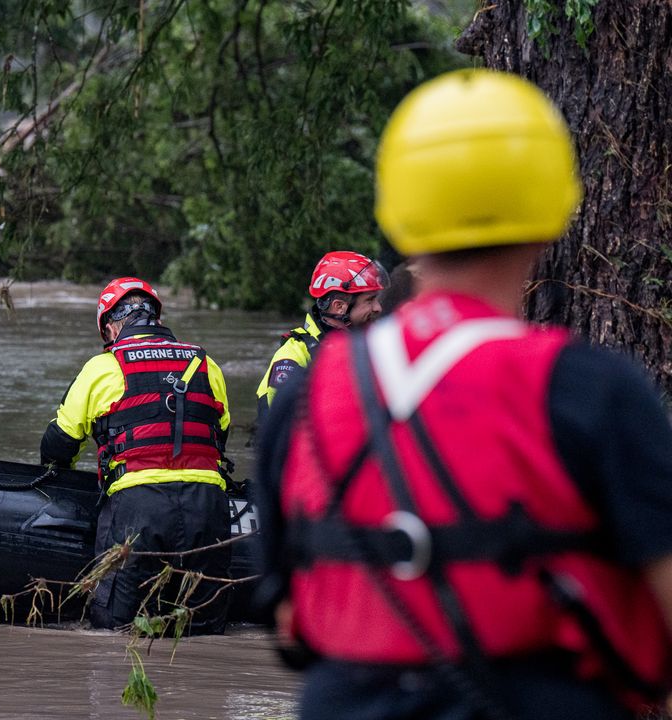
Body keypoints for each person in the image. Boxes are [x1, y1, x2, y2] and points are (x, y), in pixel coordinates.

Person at [254, 69, 672, 719]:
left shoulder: (300, 402)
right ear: (552, 214)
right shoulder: (597, 393)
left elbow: (288, 618)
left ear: (400, 217)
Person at [40, 277, 234, 635]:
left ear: (111, 327)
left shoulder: (103, 367)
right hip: (208, 508)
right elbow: (220, 433)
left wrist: (61, 487)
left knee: (116, 631)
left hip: (139, 510)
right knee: (203, 629)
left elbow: (59, 443)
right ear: (156, 319)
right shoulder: (206, 363)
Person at [255, 251, 386, 426]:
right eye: (370, 300)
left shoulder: (371, 345)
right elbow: (283, 431)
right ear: (339, 307)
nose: (378, 308)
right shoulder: (294, 356)